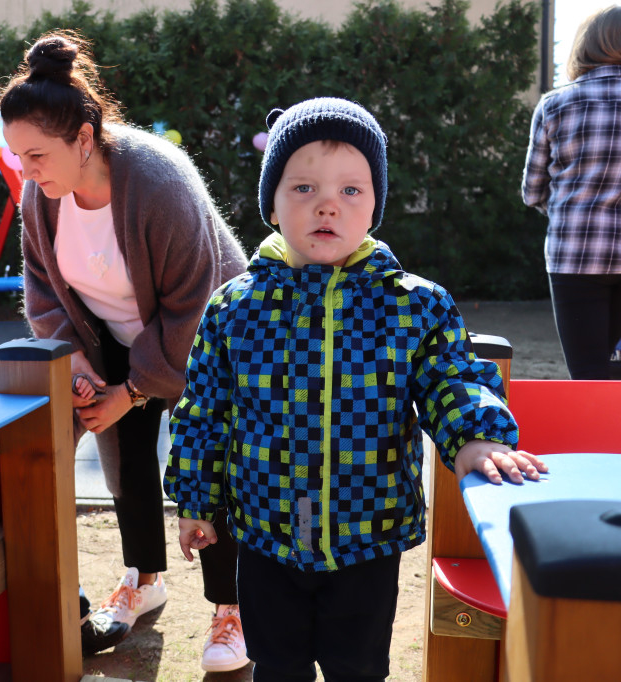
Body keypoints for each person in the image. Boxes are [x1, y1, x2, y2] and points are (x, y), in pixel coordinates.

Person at [166, 97, 549, 681]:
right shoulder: (235, 307)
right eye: (302, 188)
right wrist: (195, 498)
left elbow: (453, 378)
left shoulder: (414, 305)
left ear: (375, 205)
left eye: (351, 190)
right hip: (264, 532)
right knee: (276, 664)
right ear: (271, 202)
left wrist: (475, 437)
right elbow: (204, 408)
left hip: (368, 532)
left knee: (359, 665)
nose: (327, 204)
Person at [0, 31, 249, 670]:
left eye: (37, 155)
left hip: (209, 335)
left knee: (212, 467)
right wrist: (77, 362)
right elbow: (42, 283)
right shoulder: (39, 195)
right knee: (128, 463)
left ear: (84, 139)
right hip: (111, 336)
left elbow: (196, 304)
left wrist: (132, 390)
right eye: (19, 156)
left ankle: (232, 609)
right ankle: (145, 576)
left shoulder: (157, 180)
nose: (27, 171)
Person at [522, 5, 621, 380]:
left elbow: (533, 192)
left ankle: (597, 438)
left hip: (575, 256)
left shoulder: (555, 104)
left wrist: (574, 211)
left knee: (589, 375)